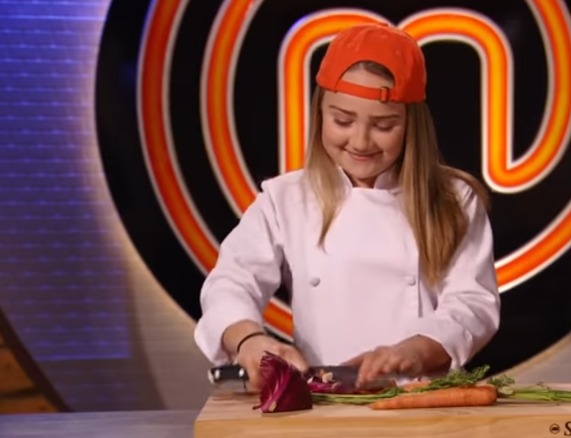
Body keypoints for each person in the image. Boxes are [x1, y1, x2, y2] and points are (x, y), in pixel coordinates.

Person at [193, 22, 501, 391]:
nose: (360, 140)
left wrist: (418, 350)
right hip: (324, 404)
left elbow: (472, 303)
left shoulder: (454, 199)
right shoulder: (285, 199)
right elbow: (231, 282)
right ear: (320, 113)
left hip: (421, 402)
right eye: (342, 120)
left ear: (412, 125)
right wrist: (249, 342)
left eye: (384, 125)